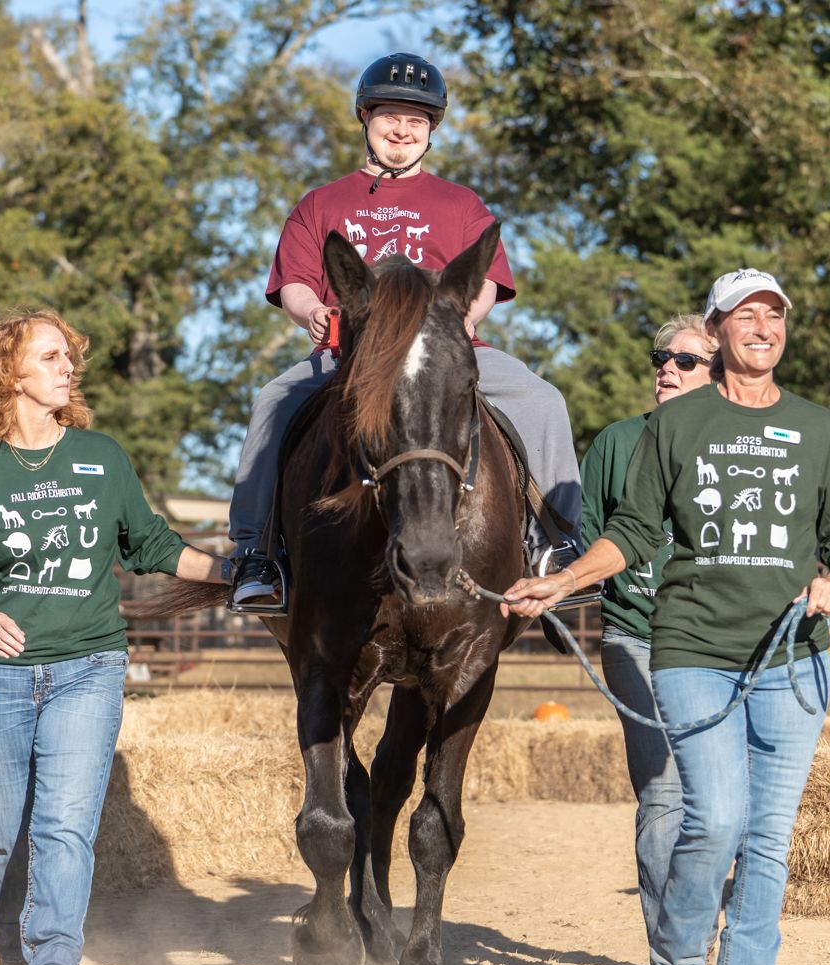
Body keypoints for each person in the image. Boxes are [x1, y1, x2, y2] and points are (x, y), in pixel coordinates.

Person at [502, 268, 830, 965]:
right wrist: (563, 582)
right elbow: (633, 531)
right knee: (715, 818)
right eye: (747, 315)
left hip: (793, 658)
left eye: (775, 315)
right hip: (695, 651)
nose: (763, 327)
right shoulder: (676, 427)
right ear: (720, 328)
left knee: (770, 843)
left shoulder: (819, 428)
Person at [0, 309, 228, 965]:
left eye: (69, 357)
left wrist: (235, 573)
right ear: (10, 376)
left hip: (88, 667)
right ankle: (15, 953)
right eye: (51, 357)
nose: (68, 367)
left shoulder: (101, 456)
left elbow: (154, 544)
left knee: (64, 826)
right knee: (6, 834)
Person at [226, 53, 588, 612]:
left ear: (431, 130)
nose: (402, 129)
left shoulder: (461, 204)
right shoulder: (320, 203)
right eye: (390, 116)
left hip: (441, 350)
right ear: (366, 118)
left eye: (416, 120)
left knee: (542, 399)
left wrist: (468, 315)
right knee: (273, 399)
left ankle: (557, 545)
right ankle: (257, 556)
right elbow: (294, 281)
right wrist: (311, 314)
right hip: (352, 350)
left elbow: (488, 278)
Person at [579, 313, 717, 965]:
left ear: (718, 375)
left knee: (723, 800)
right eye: (660, 356)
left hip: (719, 644)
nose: (667, 367)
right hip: (635, 633)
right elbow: (583, 534)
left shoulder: (738, 444)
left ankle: (705, 927)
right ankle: (674, 960)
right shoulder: (616, 442)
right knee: (663, 790)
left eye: (686, 360)